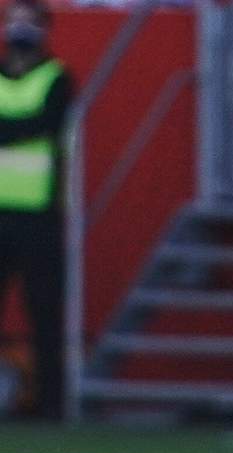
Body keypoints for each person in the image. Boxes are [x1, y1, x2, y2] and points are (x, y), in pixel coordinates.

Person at [0, 0, 71, 421]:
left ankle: (51, 405)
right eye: (13, 20)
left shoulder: (56, 78)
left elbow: (47, 123)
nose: (19, 29)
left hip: (39, 216)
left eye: (29, 21)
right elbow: (30, 127)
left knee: (45, 314)